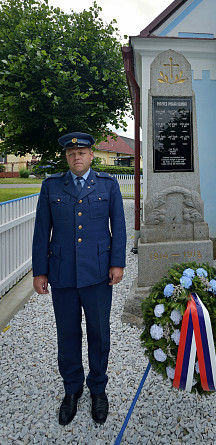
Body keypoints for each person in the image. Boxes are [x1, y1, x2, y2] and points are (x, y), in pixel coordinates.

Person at [32, 132, 126, 425]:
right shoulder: (51, 186)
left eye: (82, 152)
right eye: (72, 154)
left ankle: (98, 388)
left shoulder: (108, 185)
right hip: (62, 274)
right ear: (66, 157)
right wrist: (39, 271)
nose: (77, 157)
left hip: (98, 273)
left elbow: (119, 228)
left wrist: (117, 264)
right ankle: (72, 389)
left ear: (91, 155)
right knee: (68, 334)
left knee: (99, 334)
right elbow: (41, 231)